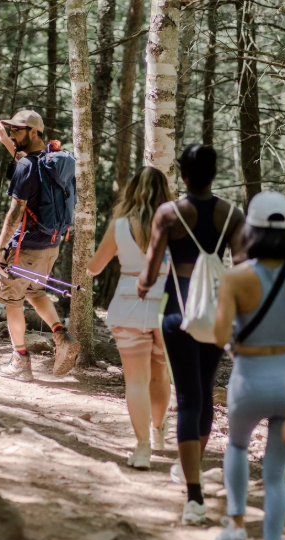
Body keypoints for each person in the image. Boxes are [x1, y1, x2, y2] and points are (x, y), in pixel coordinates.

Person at [211, 191, 285, 540]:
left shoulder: (237, 277)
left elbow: (220, 334)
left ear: (250, 230)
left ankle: (236, 529)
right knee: (276, 475)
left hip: (249, 379)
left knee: (237, 446)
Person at [138, 144, 246, 525]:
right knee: (203, 393)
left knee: (187, 397)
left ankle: (194, 495)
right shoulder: (232, 214)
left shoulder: (168, 214)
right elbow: (244, 268)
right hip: (217, 316)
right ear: (214, 173)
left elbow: (151, 271)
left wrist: (141, 285)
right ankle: (193, 470)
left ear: (182, 174)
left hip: (177, 316)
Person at [87, 167, 175, 469]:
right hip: (168, 305)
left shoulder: (120, 224)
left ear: (132, 189)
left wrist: (89, 267)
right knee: (160, 373)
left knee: (135, 380)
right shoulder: (179, 225)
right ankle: (159, 431)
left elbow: (95, 266)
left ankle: (142, 448)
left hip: (128, 304)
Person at [0, 110, 79, 381]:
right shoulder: (52, 161)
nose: (13, 134)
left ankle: (20, 361)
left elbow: (16, 212)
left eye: (17, 130)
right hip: (50, 245)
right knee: (36, 293)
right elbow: (27, 165)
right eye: (11, 130)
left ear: (34, 132)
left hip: (23, 249)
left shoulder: (27, 166)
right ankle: (62, 337)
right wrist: (8, 142)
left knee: (12, 301)